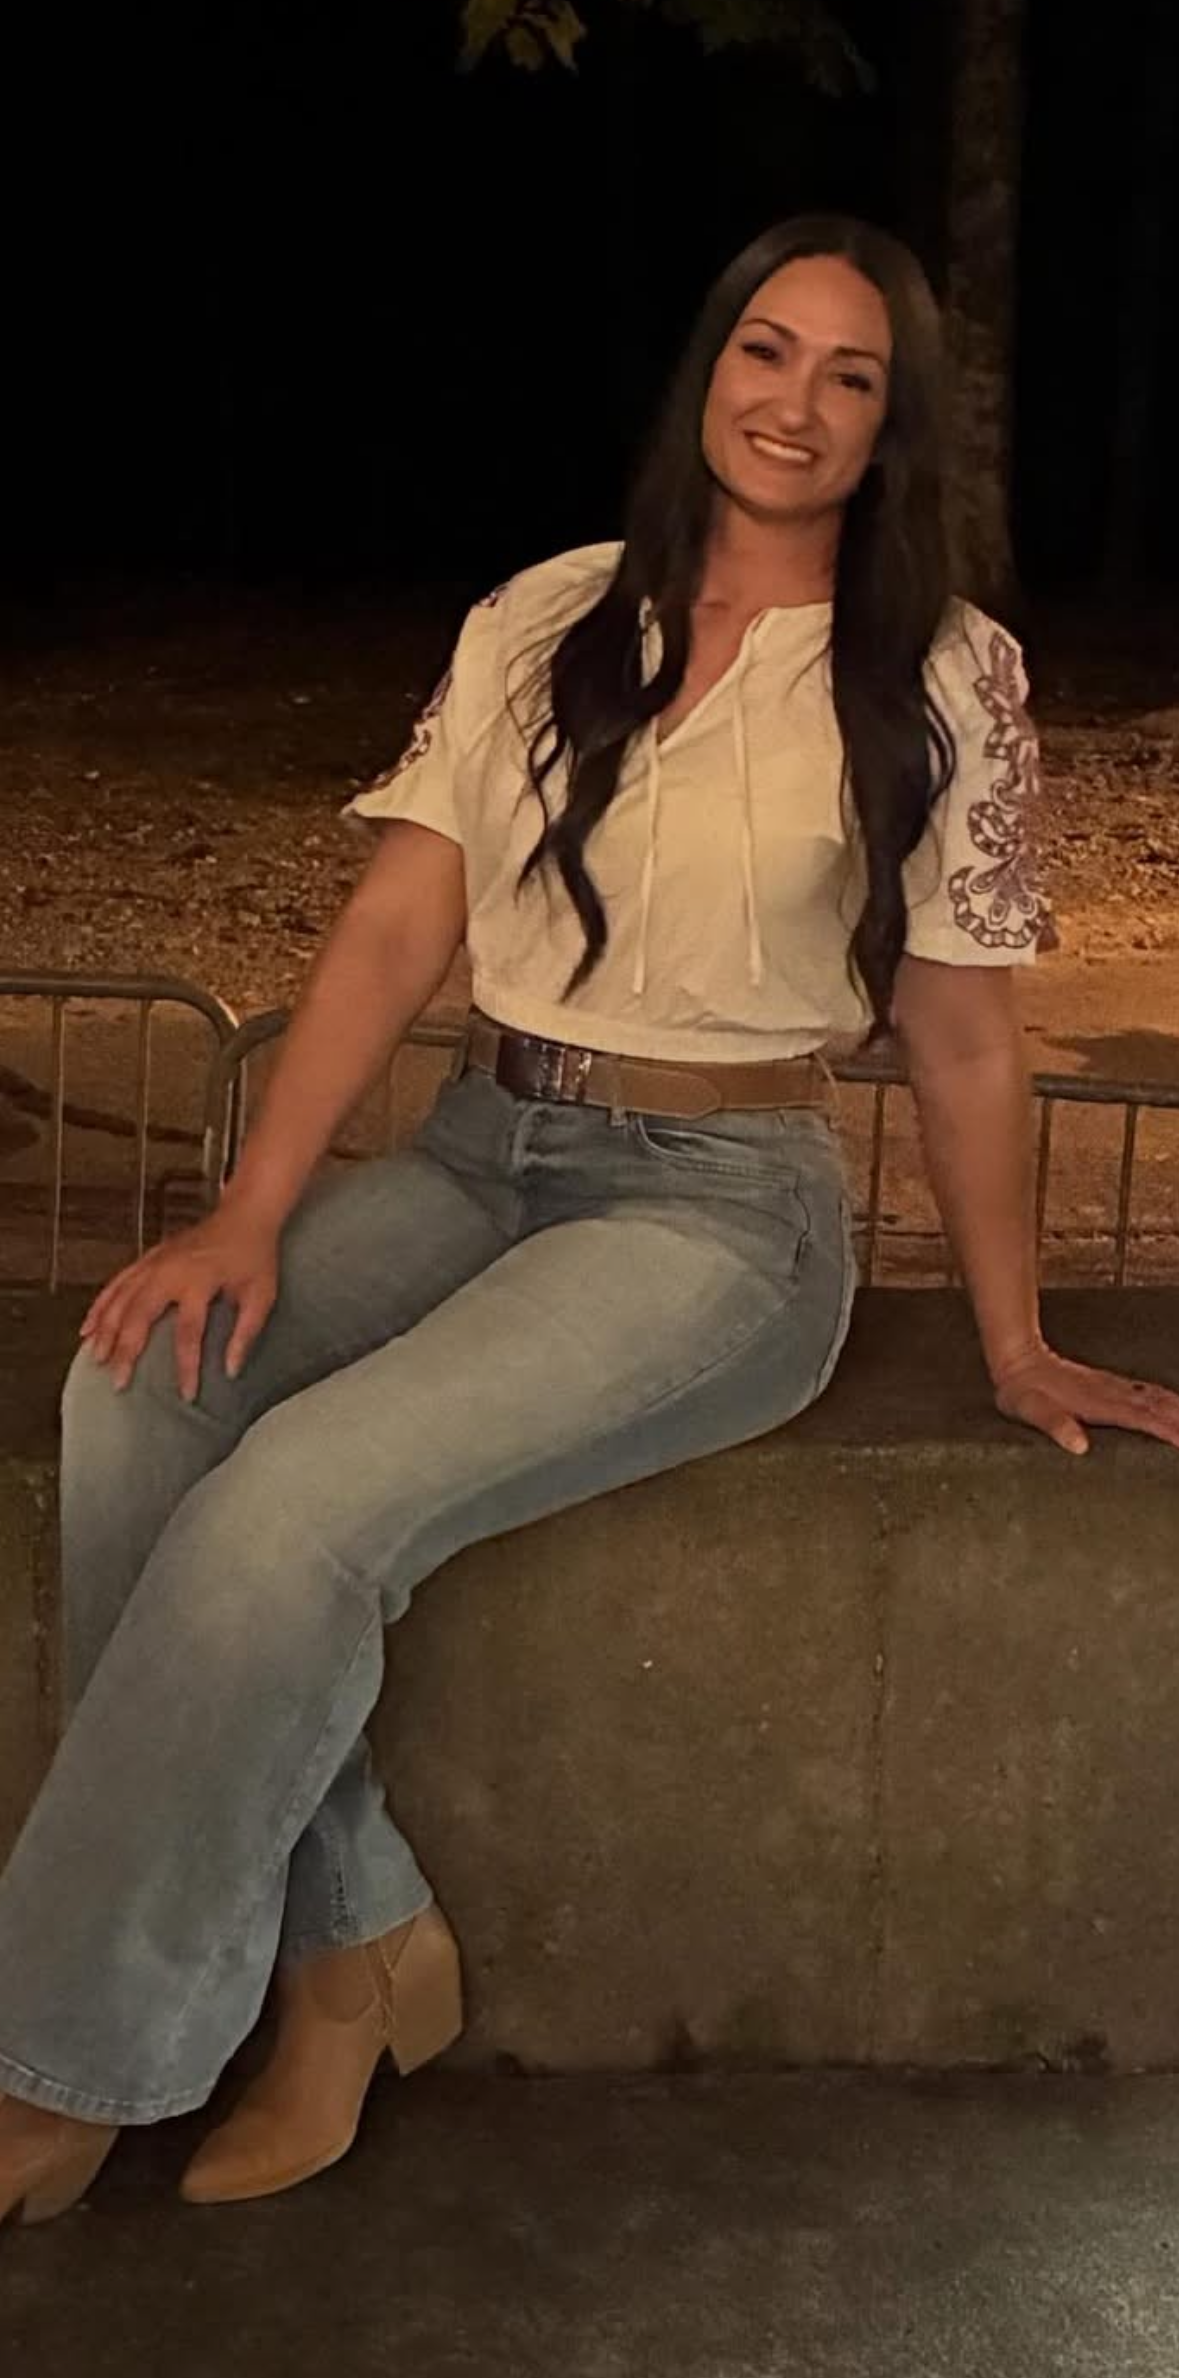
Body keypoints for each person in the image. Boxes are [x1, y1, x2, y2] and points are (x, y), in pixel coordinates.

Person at [2, 213, 1177, 2233]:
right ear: (706, 366)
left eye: (849, 376)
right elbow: (398, 925)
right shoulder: (548, 613)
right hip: (484, 1147)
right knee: (139, 1388)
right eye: (764, 350)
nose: (793, 402)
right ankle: (357, 1943)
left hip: (715, 1219)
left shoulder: (942, 673)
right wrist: (247, 1214)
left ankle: (57, 2066)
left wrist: (1011, 1338)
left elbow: (965, 1034)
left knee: (296, 1507)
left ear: (890, 428)